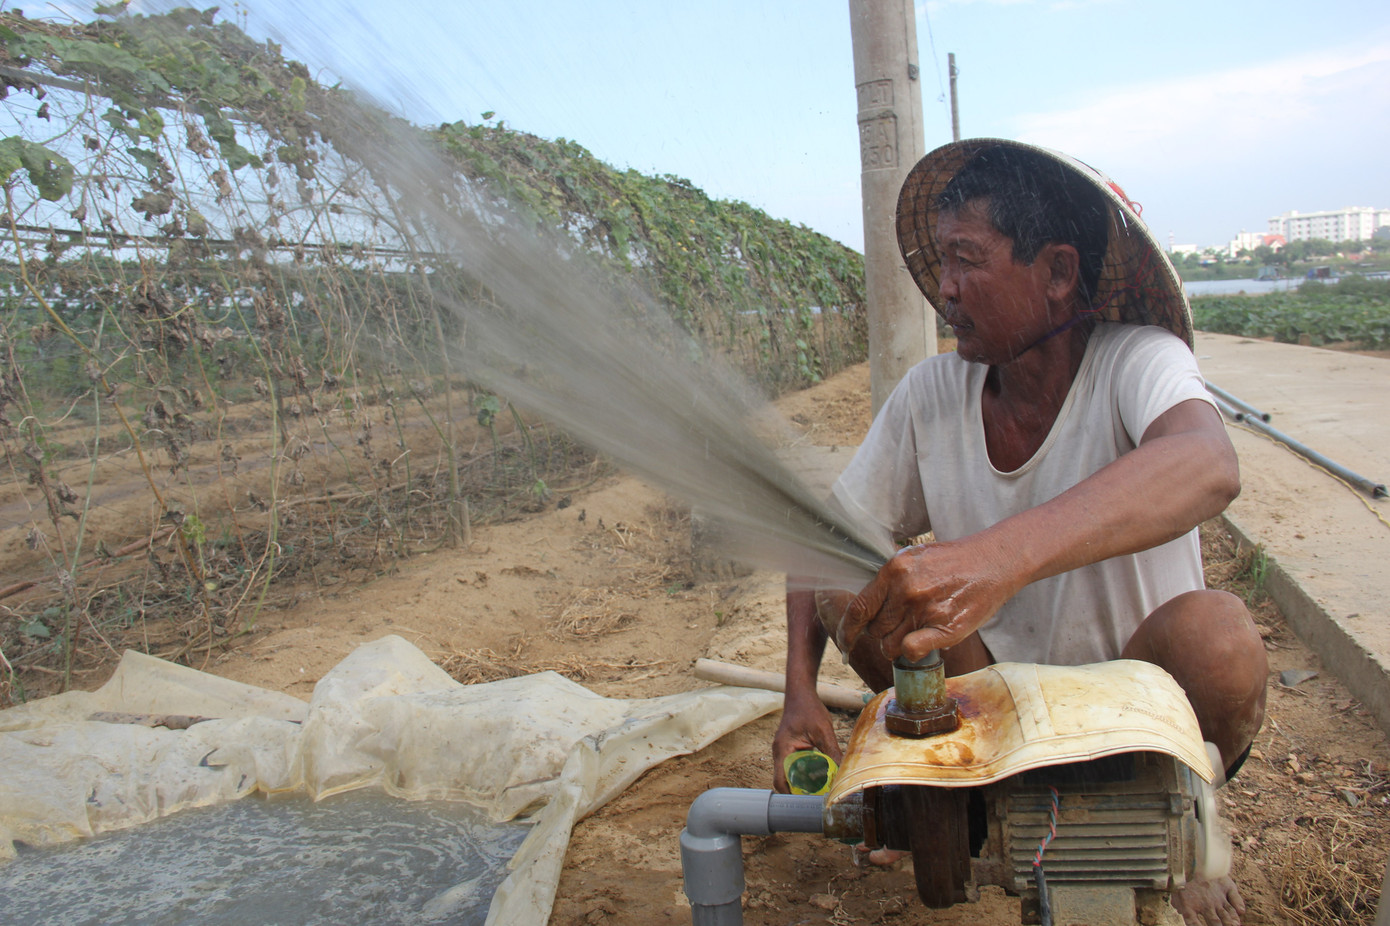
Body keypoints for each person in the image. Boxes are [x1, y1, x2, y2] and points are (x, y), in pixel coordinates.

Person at [771, 139, 1268, 926]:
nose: (946, 288)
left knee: (1221, 635)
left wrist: (999, 558)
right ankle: (968, 807)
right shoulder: (932, 394)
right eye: (942, 262)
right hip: (993, 709)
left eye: (967, 260)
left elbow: (1208, 463)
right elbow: (821, 537)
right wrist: (801, 693)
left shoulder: (1137, 361)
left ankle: (1182, 813)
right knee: (847, 577)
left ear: (1058, 273)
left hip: (1138, 707)